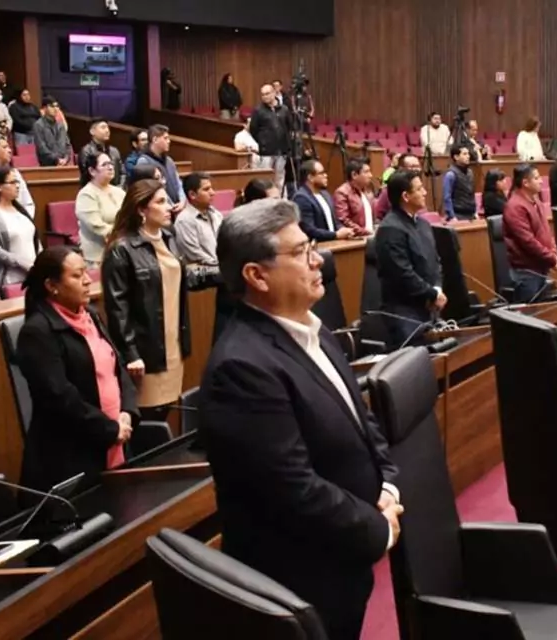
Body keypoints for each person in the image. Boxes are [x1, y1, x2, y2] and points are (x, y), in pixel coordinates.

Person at [200, 198, 402, 640]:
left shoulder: (314, 329)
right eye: (300, 252)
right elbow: (292, 488)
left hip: (341, 562)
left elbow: (360, 421)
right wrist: (376, 526)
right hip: (299, 583)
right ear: (257, 275)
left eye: (312, 246)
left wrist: (386, 485)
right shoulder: (241, 367)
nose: (318, 260)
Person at [18, 246, 138, 491]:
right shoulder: (37, 332)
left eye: (86, 272)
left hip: (115, 440)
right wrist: (109, 429)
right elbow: (60, 397)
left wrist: (127, 411)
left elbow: (117, 366)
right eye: (76, 275)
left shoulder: (90, 315)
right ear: (52, 286)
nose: (87, 280)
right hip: (73, 457)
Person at [103, 178, 201, 430]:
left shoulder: (168, 237)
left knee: (166, 409)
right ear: (141, 209)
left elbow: (180, 278)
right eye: (160, 202)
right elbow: (117, 308)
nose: (169, 207)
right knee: (147, 417)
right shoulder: (121, 249)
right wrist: (130, 353)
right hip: (145, 348)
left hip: (172, 344)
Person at [376, 170, 444, 347]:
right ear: (406, 196)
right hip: (404, 313)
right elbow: (402, 274)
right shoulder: (390, 229)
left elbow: (435, 261)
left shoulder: (423, 224)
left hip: (428, 306)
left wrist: (437, 289)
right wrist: (432, 293)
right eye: (419, 189)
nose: (425, 192)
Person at [502, 163, 557, 302]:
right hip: (527, 272)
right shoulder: (515, 206)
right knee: (530, 312)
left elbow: (545, 230)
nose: (541, 181)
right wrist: (551, 258)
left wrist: (553, 252)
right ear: (525, 183)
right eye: (536, 178)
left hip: (541, 266)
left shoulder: (535, 200)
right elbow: (527, 241)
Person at [0, 165, 40, 291]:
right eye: (12, 182)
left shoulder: (20, 211)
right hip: (8, 280)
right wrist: (23, 263)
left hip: (32, 276)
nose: (17, 186)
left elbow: (34, 240)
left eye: (17, 182)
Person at [76, 148, 128, 270]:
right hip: (98, 257)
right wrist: (121, 232)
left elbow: (129, 214)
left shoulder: (119, 192)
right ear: (92, 171)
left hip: (122, 250)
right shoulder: (86, 194)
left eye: (111, 163)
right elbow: (96, 225)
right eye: (104, 164)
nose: (110, 167)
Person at [293, 160, 354, 241]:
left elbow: (335, 222)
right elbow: (309, 230)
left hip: (334, 243)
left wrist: (344, 230)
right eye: (321, 173)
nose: (326, 175)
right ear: (310, 177)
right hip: (317, 245)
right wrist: (335, 235)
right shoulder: (301, 198)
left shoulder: (325, 194)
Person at [173, 172, 225, 266]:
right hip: (204, 272)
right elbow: (195, 255)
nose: (212, 193)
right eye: (206, 189)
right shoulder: (184, 221)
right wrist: (223, 265)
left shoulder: (216, 214)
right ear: (192, 195)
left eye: (211, 188)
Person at [332, 159, 378, 235]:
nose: (371, 175)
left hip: (369, 236)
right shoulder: (342, 193)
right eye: (366, 172)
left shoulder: (368, 192)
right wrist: (364, 232)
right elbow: (344, 220)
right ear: (354, 175)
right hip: (354, 239)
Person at [78, 118, 123, 187]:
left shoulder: (114, 151)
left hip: (115, 189)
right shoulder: (86, 151)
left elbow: (122, 173)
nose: (107, 130)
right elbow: (87, 177)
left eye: (108, 128)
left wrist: (119, 188)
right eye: (103, 127)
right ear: (92, 131)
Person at [442, 145, 478, 221]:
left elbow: (472, 194)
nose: (468, 156)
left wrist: (475, 212)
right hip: (458, 215)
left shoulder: (470, 172)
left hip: (471, 214)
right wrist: (452, 216)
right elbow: (447, 197)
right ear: (456, 157)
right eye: (464, 154)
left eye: (468, 154)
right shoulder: (450, 174)